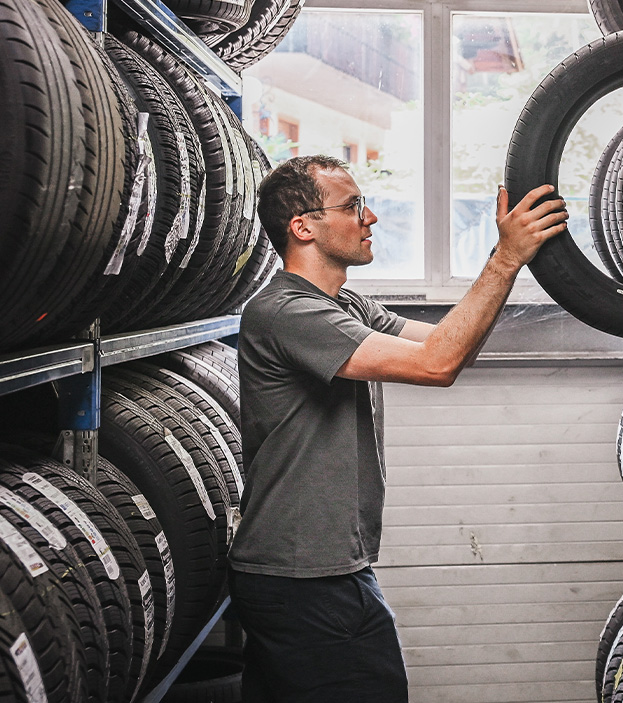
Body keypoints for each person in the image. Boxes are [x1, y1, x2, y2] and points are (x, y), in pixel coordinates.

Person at [231, 154, 567, 701]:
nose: (370, 218)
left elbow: (449, 347)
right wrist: (505, 259)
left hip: (320, 570)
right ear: (303, 227)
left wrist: (506, 260)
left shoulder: (346, 305)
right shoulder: (286, 312)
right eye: (353, 206)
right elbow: (436, 364)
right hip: (302, 576)